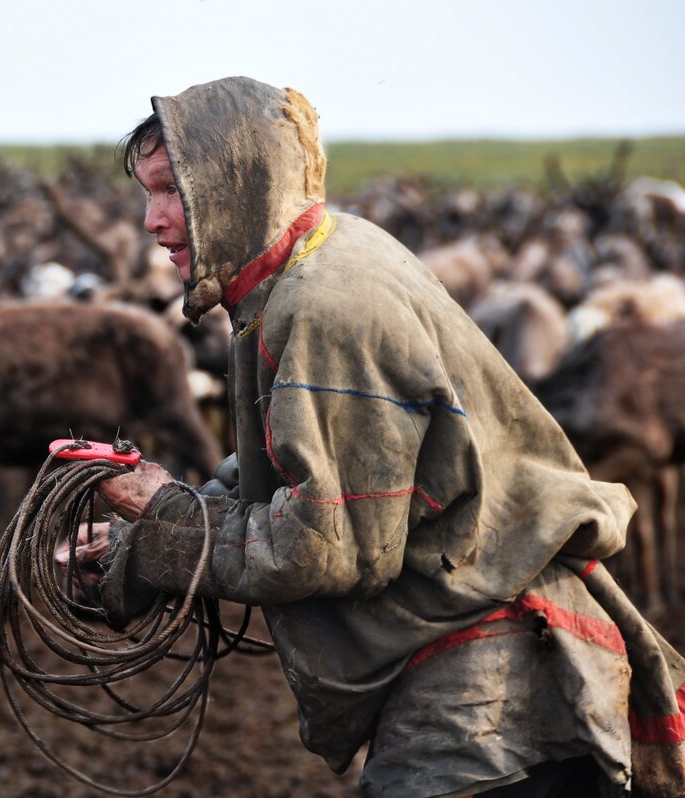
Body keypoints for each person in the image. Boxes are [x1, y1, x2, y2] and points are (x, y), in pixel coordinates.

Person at [56, 76, 685, 797]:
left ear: (238, 183)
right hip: (472, 665)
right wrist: (136, 548)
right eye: (146, 193)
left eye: (171, 190)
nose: (150, 221)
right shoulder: (315, 261)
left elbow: (321, 547)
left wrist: (167, 519)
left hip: (491, 694)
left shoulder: (327, 309)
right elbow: (294, 463)